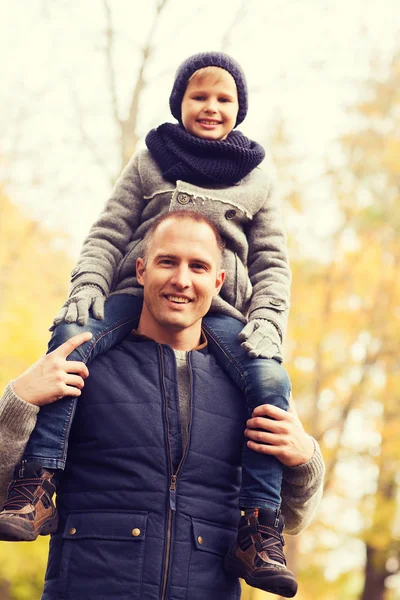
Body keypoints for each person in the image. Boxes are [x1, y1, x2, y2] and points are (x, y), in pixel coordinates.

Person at [2, 51, 292, 593]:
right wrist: (21, 395)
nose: (210, 107)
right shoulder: (151, 158)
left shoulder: (258, 173)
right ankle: (37, 484)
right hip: (125, 301)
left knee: (273, 380)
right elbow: (107, 232)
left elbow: (273, 261)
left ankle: (259, 530)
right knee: (69, 339)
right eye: (198, 96)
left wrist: (270, 324)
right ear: (179, 102)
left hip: (233, 323)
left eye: (223, 98)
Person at [0, 213, 324, 599]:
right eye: (167, 261)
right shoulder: (80, 365)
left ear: (217, 282)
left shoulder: (249, 385)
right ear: (141, 270)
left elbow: (293, 519)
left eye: (199, 266)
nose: (182, 280)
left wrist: (306, 459)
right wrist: (17, 401)